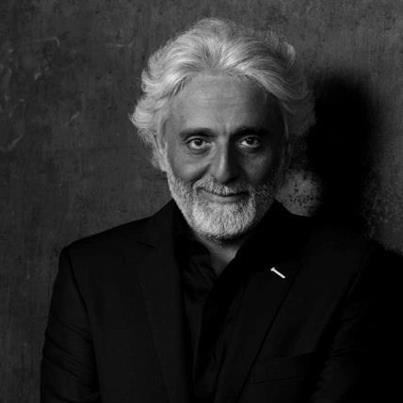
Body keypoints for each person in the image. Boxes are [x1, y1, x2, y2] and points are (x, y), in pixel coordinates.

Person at [41, 18, 394, 403]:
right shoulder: (90, 274)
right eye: (198, 142)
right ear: (160, 149)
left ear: (286, 150)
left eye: (249, 141)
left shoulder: (351, 274)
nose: (224, 171)